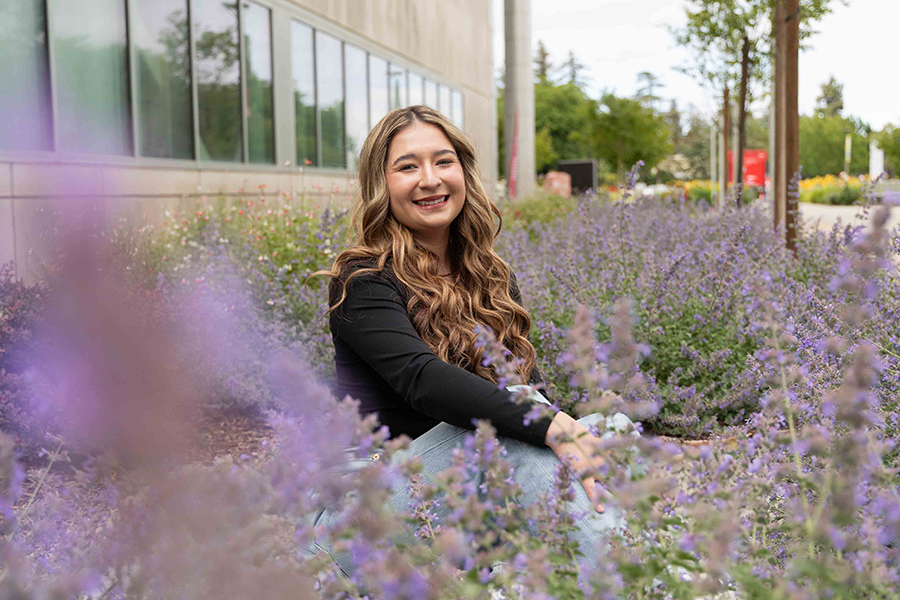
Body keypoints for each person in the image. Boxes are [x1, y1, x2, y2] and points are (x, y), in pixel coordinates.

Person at [313, 105, 628, 575]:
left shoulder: (491, 277)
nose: (429, 179)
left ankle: (637, 569)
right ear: (381, 185)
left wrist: (562, 430)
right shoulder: (363, 279)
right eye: (407, 166)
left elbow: (530, 387)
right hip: (362, 516)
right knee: (522, 421)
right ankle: (643, 581)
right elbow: (423, 380)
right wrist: (552, 425)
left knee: (614, 432)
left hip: (455, 502)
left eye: (443, 161)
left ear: (463, 171)